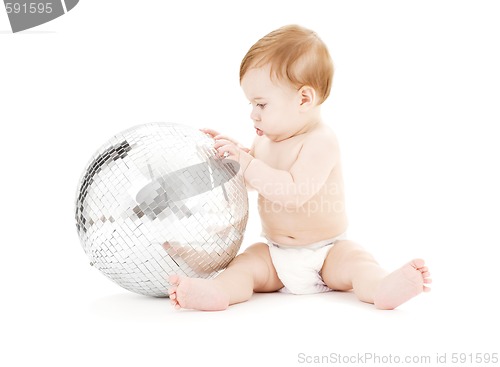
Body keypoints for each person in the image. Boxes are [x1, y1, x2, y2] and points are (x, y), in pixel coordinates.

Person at [167, 24, 431, 311]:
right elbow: (255, 180)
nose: (252, 114)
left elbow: (294, 193)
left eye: (261, 104)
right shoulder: (267, 142)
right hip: (276, 253)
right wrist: (233, 158)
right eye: (251, 104)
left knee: (358, 262)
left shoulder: (320, 141)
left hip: (327, 251)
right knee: (244, 266)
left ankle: (381, 287)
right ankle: (219, 292)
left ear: (304, 99)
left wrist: (248, 163)